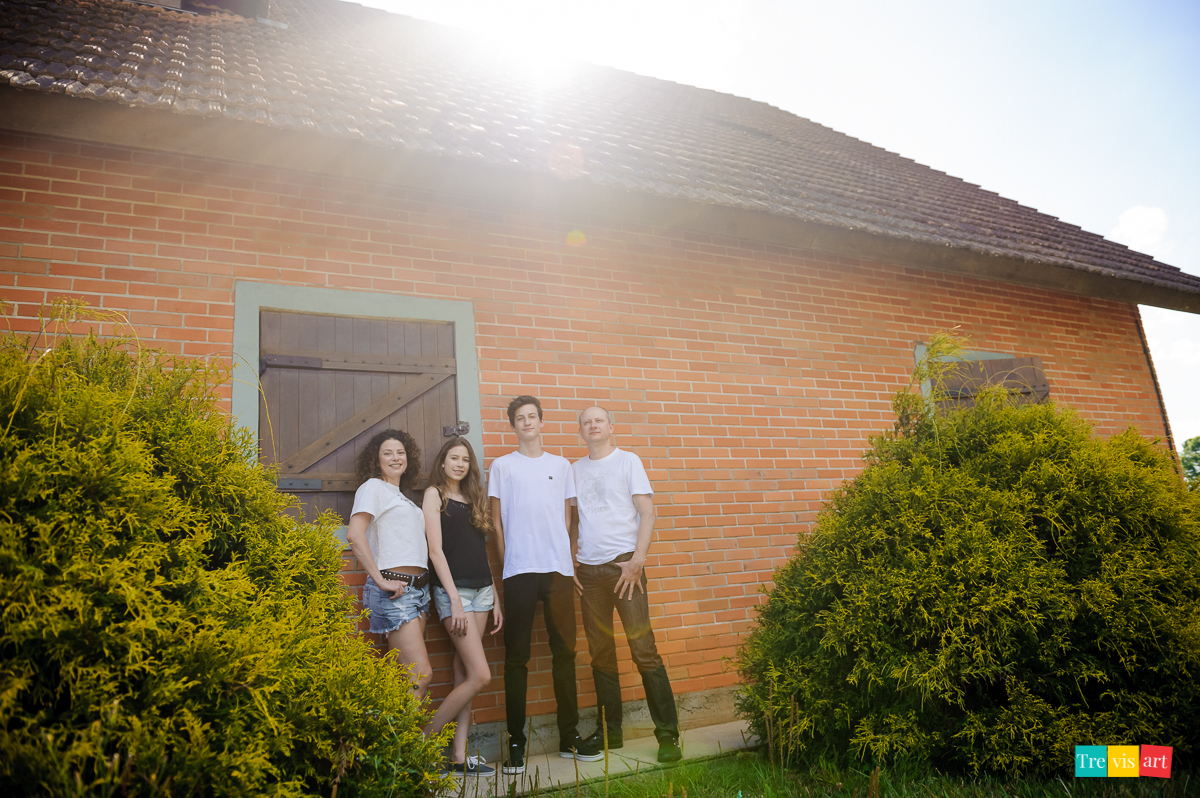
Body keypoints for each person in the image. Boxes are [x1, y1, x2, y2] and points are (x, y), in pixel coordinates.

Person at [345, 430, 486, 762]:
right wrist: (379, 579)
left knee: (408, 679)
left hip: (417, 592)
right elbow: (355, 534)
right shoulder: (373, 489)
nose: (396, 458)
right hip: (396, 591)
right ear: (376, 460)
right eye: (388, 453)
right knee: (421, 674)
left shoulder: (402, 497)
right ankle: (404, 757)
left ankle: (393, 751)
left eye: (400, 453)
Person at [488, 395, 602, 775]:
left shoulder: (561, 465)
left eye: (532, 416)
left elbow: (571, 518)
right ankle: (515, 743)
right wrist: (507, 564)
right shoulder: (502, 466)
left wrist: (568, 561)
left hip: (557, 571)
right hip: (519, 571)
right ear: (513, 425)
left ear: (541, 421)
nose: (526, 422)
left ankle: (569, 737)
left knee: (564, 652)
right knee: (517, 658)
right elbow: (496, 523)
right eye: (519, 418)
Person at [571, 406, 682, 763]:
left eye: (598, 420)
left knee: (643, 649)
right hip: (589, 572)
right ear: (581, 431)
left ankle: (668, 736)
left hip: (625, 570)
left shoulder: (628, 461)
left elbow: (648, 512)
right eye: (586, 422)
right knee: (600, 653)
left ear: (610, 426)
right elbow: (574, 521)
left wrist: (637, 561)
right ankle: (610, 734)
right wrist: (570, 561)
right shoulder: (575, 470)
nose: (593, 426)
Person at [422, 436, 502, 777]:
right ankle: (422, 742)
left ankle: (458, 754)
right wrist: (453, 599)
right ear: (442, 462)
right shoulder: (433, 495)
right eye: (453, 458)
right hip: (454, 594)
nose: (459, 464)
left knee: (466, 672)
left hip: (482, 591)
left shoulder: (473, 498)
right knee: (481, 675)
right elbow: (435, 552)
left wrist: (495, 596)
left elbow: (479, 552)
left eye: (465, 459)